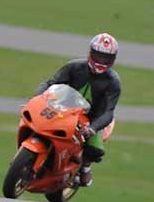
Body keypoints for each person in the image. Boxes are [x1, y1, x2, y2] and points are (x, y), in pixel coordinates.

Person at [34, 33, 121, 187]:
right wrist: (36, 98)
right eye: (98, 56)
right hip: (64, 108)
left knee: (95, 149)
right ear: (90, 53)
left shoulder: (113, 82)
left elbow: (109, 112)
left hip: (93, 119)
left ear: (113, 60)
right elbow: (50, 83)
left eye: (106, 58)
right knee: (39, 122)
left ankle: (85, 168)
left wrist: (93, 128)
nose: (101, 61)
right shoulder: (74, 67)